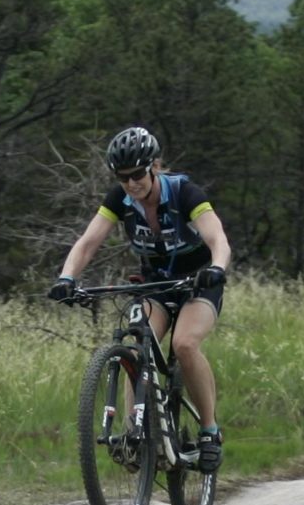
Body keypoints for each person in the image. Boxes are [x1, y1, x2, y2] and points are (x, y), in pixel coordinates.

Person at [49, 127, 232, 472]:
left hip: (198, 282)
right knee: (136, 345)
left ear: (154, 166)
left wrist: (218, 267)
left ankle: (210, 431)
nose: (131, 183)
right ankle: (136, 434)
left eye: (137, 174)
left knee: (185, 345)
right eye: (123, 177)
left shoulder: (184, 192)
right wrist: (67, 277)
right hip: (156, 286)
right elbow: (88, 243)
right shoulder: (119, 199)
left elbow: (217, 238)